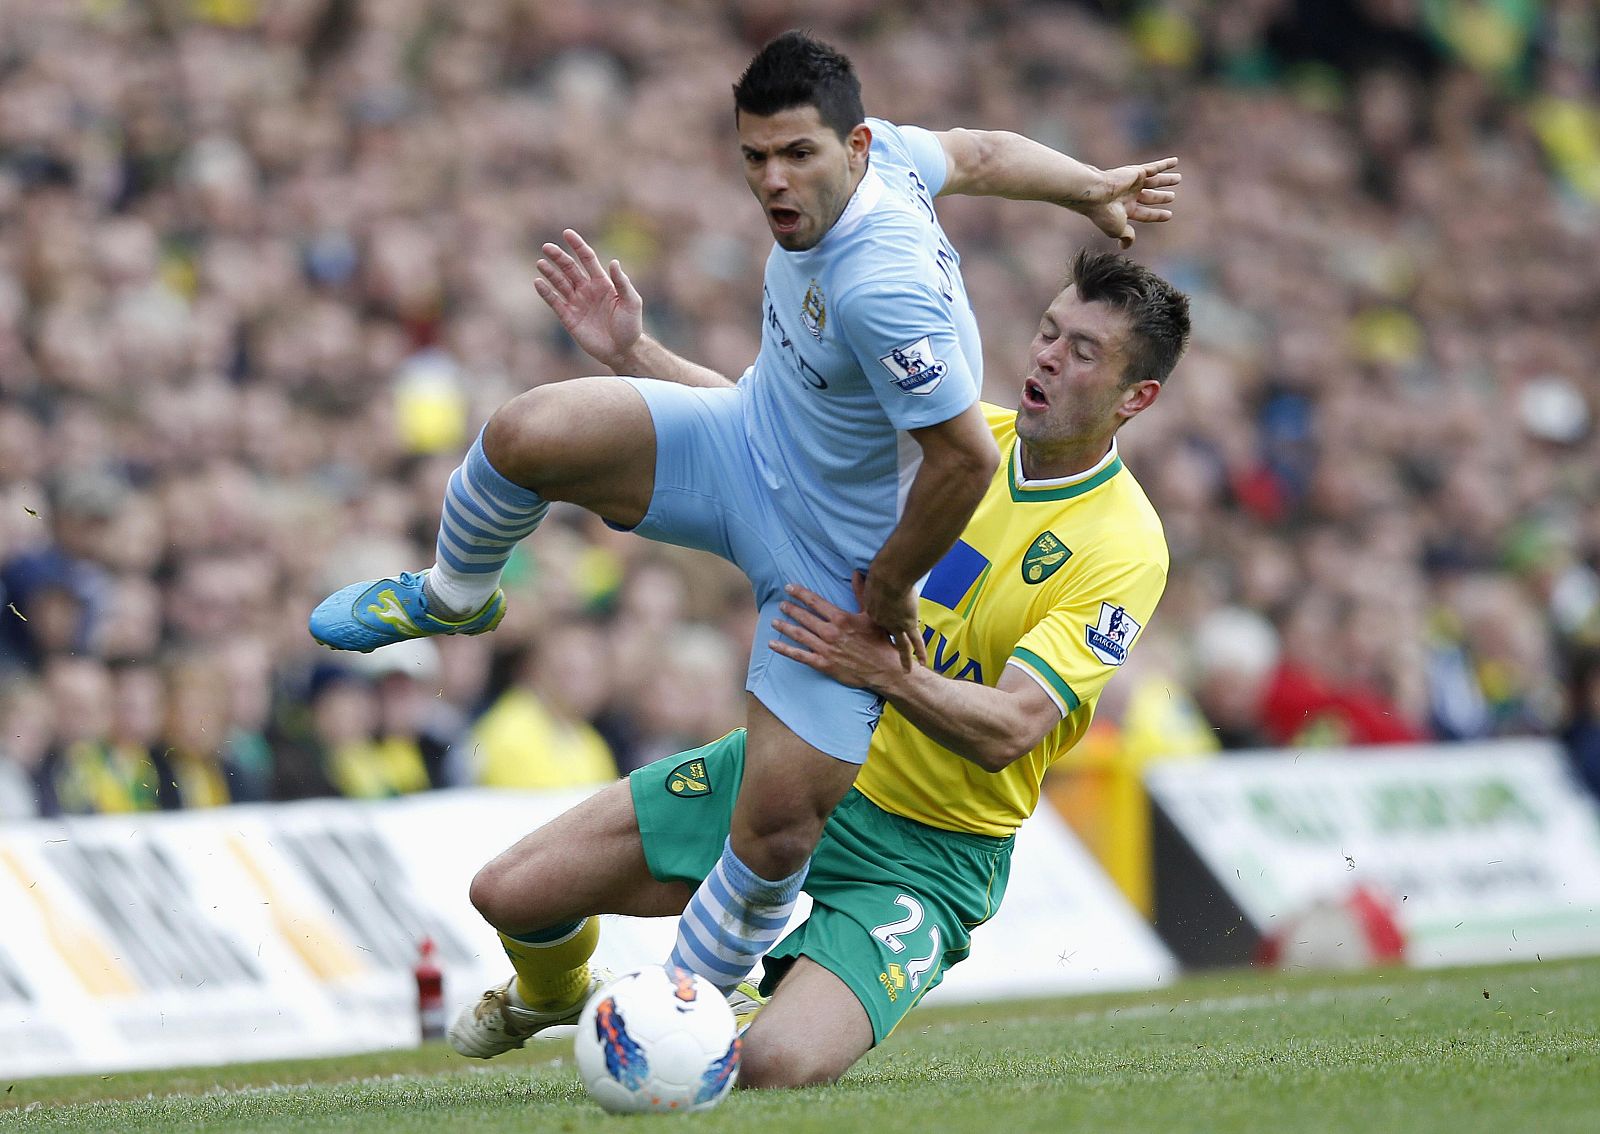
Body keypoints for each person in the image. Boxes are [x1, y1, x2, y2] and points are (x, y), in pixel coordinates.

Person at [310, 30, 1178, 1012]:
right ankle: (454, 597)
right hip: (744, 452)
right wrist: (1086, 188)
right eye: (753, 157)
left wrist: (887, 592)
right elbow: (976, 153)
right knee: (527, 431)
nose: (771, 181)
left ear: (849, 150)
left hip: (835, 575)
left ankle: (695, 1006)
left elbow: (963, 461)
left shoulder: (884, 291)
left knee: (772, 834)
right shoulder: (889, 159)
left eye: (794, 155)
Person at [449, 246, 1190, 1087]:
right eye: (1050, 332)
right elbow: (756, 430)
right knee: (510, 893)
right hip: (797, 764)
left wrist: (884, 672)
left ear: (1138, 397)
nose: (1049, 355)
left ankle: (756, 999)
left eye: (1084, 350)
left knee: (772, 1066)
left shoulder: (1124, 546)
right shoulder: (952, 443)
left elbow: (1014, 729)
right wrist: (632, 356)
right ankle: (550, 995)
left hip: (932, 848)